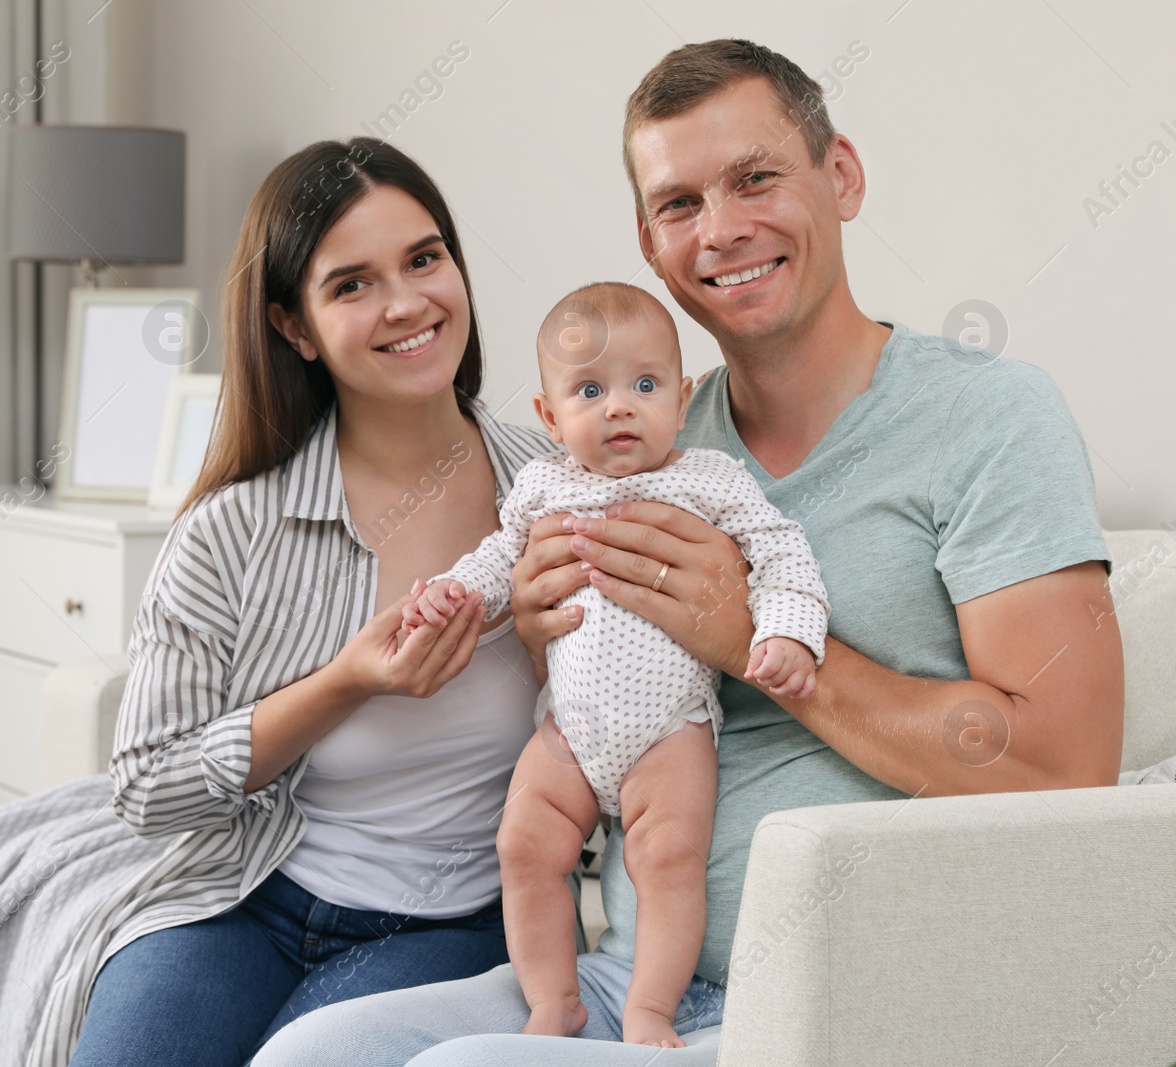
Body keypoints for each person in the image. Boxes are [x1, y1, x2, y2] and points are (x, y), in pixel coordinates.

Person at [252, 37, 1122, 1067]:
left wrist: (756, 633)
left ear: (838, 176)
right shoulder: (636, 447)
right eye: (678, 205)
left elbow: (1063, 770)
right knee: (307, 1056)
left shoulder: (988, 417)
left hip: (855, 992)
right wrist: (542, 633)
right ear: (648, 243)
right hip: (634, 975)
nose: (721, 230)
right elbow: (606, 697)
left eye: (755, 178)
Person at [64, 135, 566, 1067]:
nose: (408, 303)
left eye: (424, 258)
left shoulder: (558, 491)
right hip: (244, 895)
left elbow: (635, 716)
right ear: (294, 327)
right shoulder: (232, 529)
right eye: (352, 284)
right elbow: (142, 784)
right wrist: (345, 682)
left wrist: (543, 646)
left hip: (448, 921)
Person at [405, 281, 828, 1047]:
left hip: (671, 732)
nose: (620, 407)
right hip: (568, 729)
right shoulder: (544, 486)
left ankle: (650, 1008)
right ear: (549, 416)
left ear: (683, 395)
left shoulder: (709, 480)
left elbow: (779, 549)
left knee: (667, 855)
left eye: (644, 385)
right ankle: (553, 999)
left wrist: (788, 632)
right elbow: (502, 557)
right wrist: (453, 590)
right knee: (524, 845)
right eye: (590, 390)